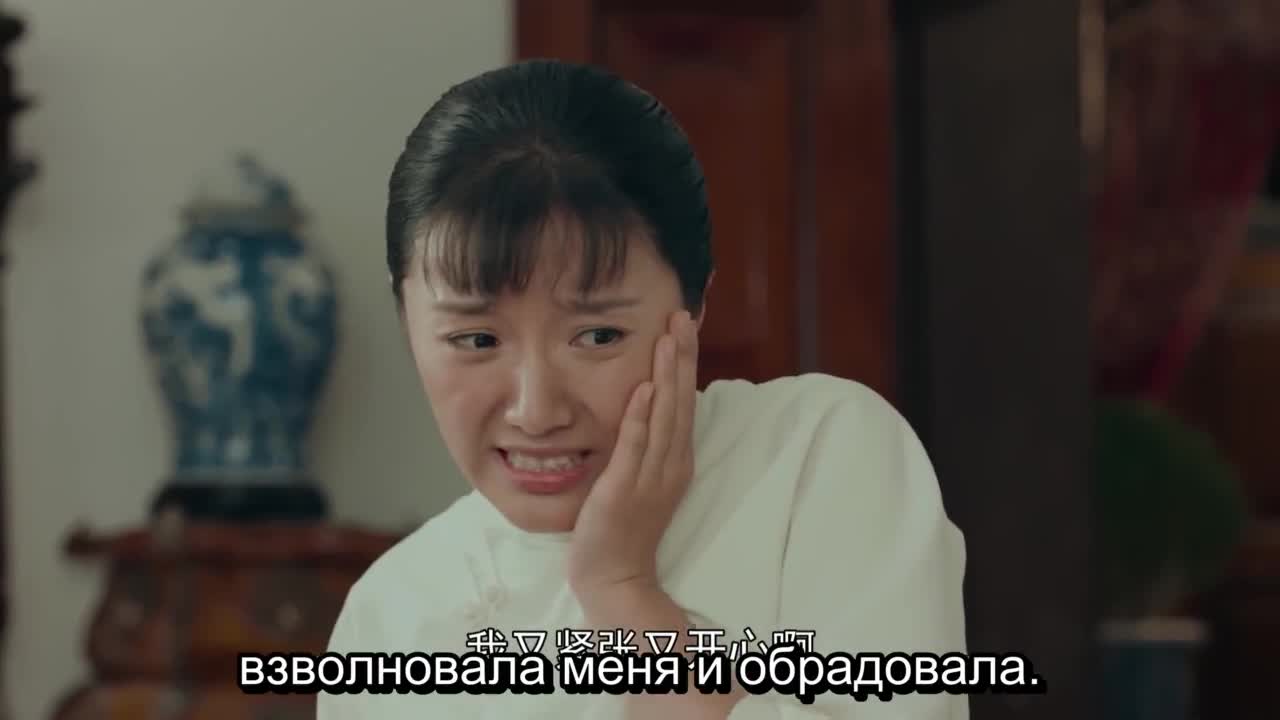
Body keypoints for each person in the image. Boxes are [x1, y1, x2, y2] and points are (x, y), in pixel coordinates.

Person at [317, 59, 968, 719]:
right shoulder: (391, 616)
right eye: (477, 340)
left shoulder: (817, 458)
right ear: (406, 320)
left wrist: (621, 589)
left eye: (598, 335)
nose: (536, 412)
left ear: (696, 306)